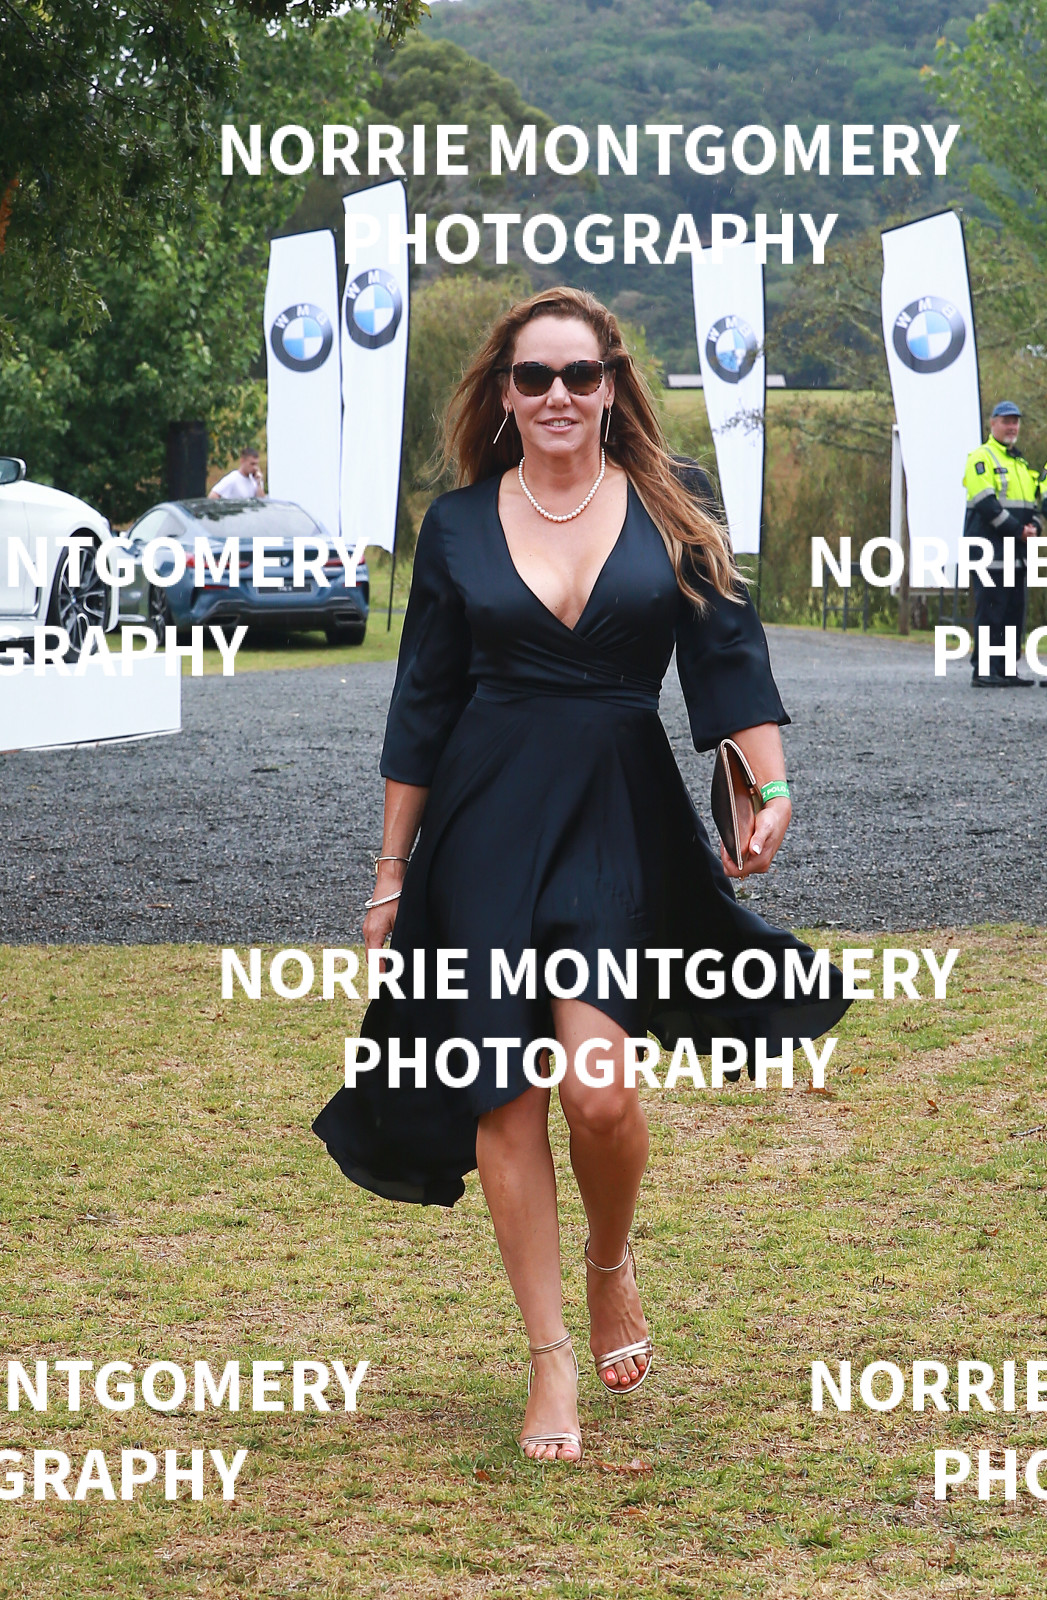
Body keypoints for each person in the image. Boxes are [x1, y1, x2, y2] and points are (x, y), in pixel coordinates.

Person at [313, 287, 851, 1463]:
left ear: (613, 386)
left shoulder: (672, 502)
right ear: (504, 396)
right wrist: (392, 870)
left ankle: (611, 1262)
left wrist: (771, 785)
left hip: (616, 812)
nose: (557, 395)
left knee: (598, 1091)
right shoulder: (457, 525)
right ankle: (548, 1356)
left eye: (580, 375)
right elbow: (421, 704)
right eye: (533, 377)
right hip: (482, 823)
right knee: (502, 1089)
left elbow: (728, 657)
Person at [962, 402, 1039, 688]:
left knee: (1012, 614)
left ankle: (1006, 670)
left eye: (1015, 422)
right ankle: (984, 671)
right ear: (992, 423)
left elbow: (1032, 505)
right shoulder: (981, 457)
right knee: (991, 612)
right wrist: (1019, 531)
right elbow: (986, 504)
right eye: (1006, 421)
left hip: (1016, 555)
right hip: (990, 553)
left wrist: (1035, 527)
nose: (1012, 427)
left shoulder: (1020, 464)